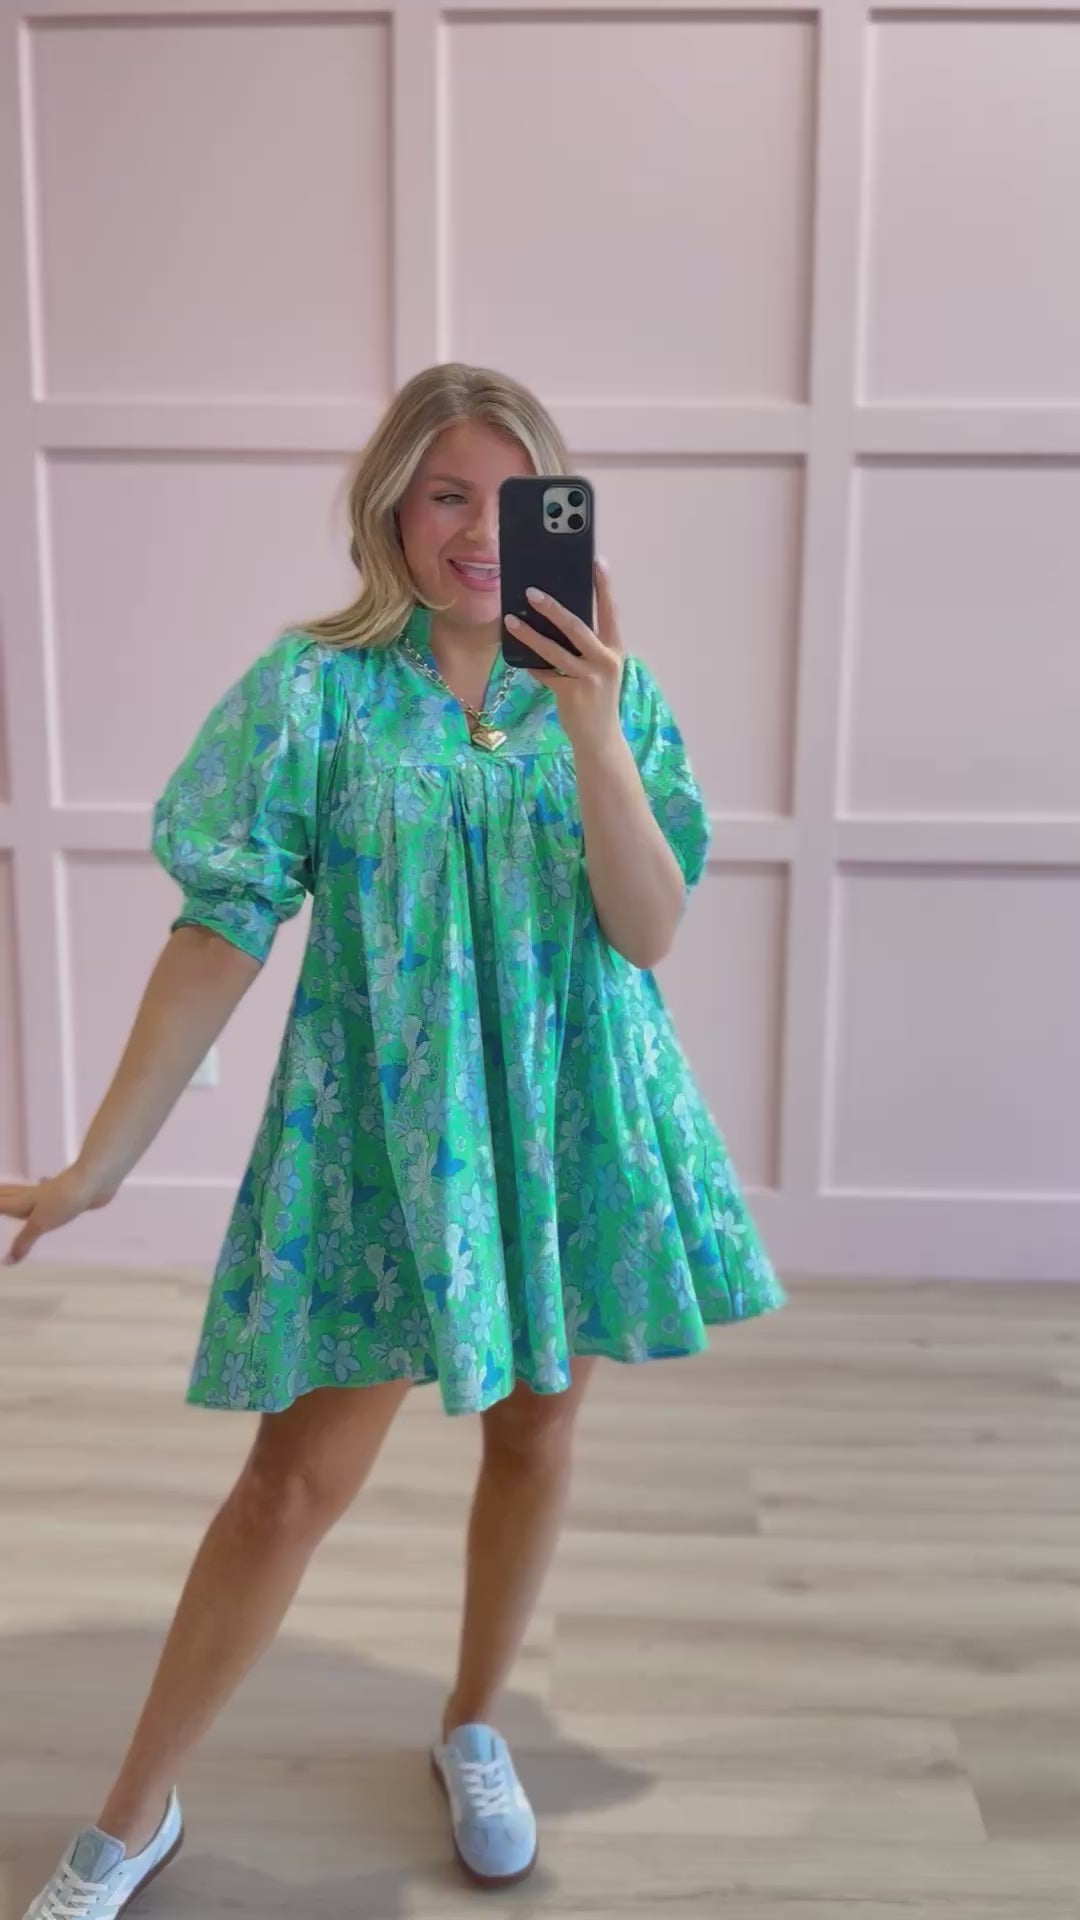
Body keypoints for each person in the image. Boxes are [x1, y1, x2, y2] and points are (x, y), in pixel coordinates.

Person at [3, 363, 785, 1919]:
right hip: (382, 1134)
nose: (482, 532)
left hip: (567, 1117)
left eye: (516, 499)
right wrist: (100, 1164)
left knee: (537, 1434)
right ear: (391, 510)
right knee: (289, 1486)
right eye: (447, 495)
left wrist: (591, 721)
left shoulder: (609, 691)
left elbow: (649, 927)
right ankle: (136, 1811)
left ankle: (475, 1724)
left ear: (563, 514)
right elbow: (220, 930)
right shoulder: (315, 693)